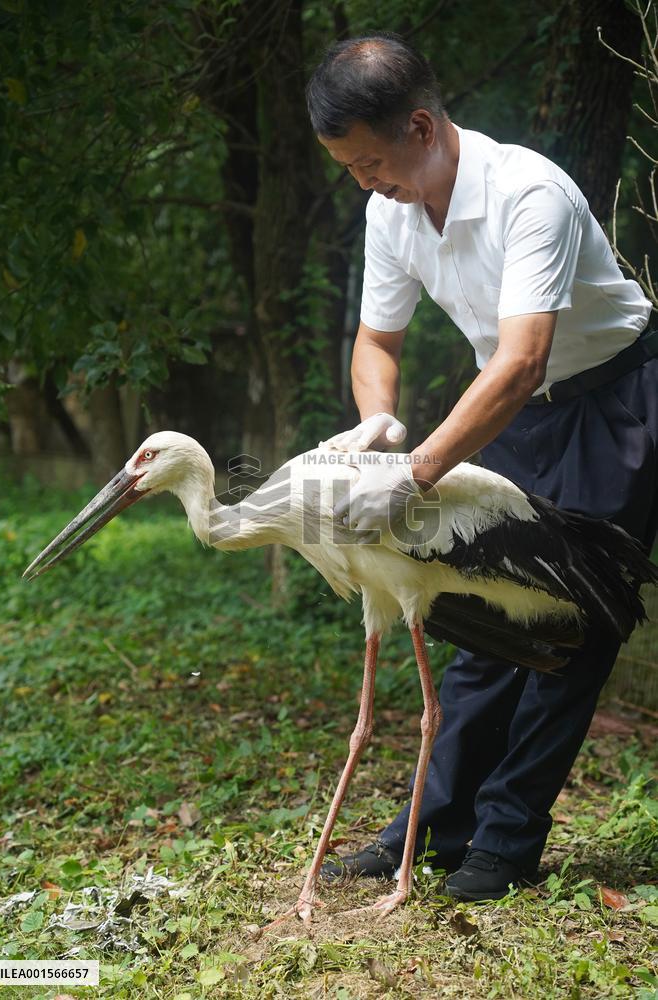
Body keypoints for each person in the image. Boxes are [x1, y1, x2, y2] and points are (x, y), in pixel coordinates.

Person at [305, 33, 658, 901]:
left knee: (567, 633)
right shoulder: (390, 210)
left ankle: (504, 845)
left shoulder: (529, 193)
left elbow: (522, 360)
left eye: (369, 160)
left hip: (612, 404)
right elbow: (376, 341)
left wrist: (417, 474)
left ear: (421, 126)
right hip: (511, 418)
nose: (364, 181)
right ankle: (430, 827)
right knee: (473, 618)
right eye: (348, 166)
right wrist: (380, 428)